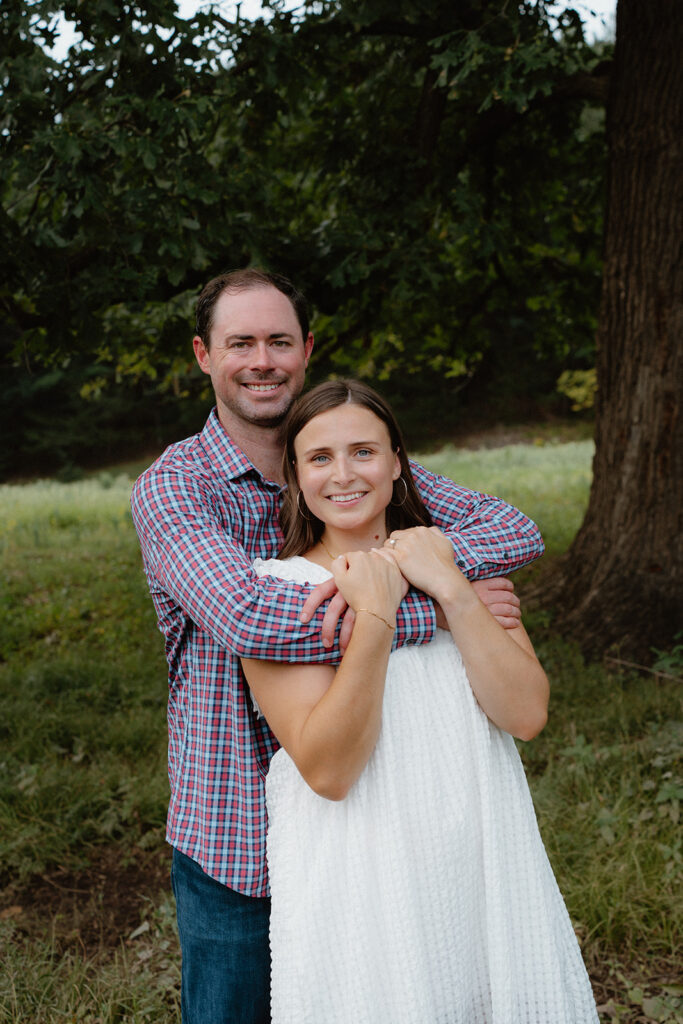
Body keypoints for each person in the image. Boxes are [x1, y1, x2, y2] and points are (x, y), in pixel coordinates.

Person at [130, 269, 545, 1024]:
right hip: (238, 830)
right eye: (240, 343)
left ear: (306, 349)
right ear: (203, 354)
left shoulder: (342, 450)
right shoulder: (175, 486)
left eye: (279, 341)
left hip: (395, 821)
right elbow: (251, 617)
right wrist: (440, 613)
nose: (262, 359)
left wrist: (410, 577)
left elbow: (514, 530)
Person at [241, 379, 599, 1024]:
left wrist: (452, 591)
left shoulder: (455, 565)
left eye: (364, 452)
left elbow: (526, 715)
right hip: (362, 869)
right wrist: (375, 617)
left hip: (480, 849)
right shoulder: (278, 597)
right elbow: (328, 771)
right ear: (294, 475)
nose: (344, 475)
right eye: (319, 458)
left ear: (399, 460)